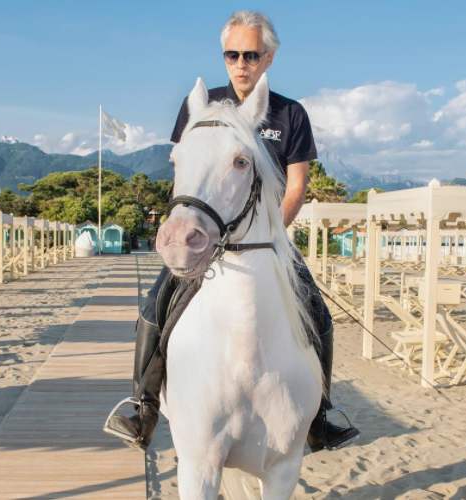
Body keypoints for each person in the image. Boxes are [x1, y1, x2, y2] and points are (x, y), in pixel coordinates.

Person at [105, 10, 359, 452]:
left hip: (268, 239)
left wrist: (272, 234)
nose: (241, 63)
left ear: (269, 58)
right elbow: (187, 173)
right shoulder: (202, 109)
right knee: (157, 302)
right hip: (209, 239)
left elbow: (296, 185)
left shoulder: (289, 114)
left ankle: (320, 414)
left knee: (317, 311)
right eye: (232, 54)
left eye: (251, 54)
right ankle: (142, 406)